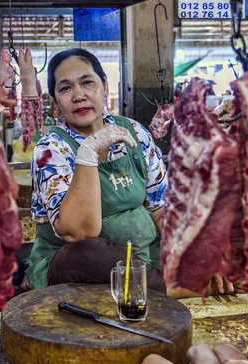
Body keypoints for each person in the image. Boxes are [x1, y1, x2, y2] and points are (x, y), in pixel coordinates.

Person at [18, 48, 167, 292]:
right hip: (79, 266)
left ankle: (165, 282)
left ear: (105, 86)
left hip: (144, 259)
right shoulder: (51, 149)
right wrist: (87, 153)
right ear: (56, 103)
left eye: (87, 82)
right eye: (65, 88)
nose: (79, 95)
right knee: (89, 253)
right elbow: (80, 233)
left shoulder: (134, 132)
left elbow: (160, 208)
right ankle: (173, 289)